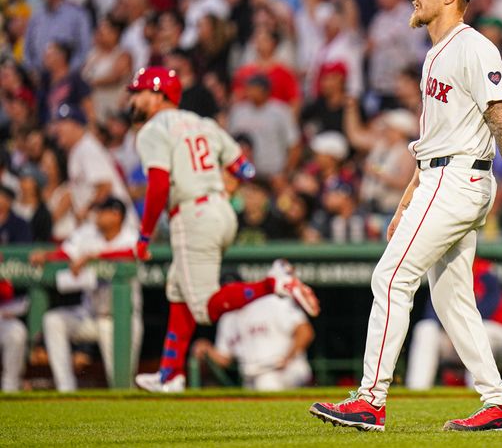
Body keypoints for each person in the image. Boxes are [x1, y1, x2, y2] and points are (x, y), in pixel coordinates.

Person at [310, 0, 502, 432]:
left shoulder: (474, 46)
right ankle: (498, 405)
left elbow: (501, 118)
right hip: (439, 177)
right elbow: (429, 141)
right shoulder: (435, 54)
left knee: (390, 277)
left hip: (458, 179)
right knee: (453, 301)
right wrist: (406, 199)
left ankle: (371, 398)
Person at [126, 67, 319, 392]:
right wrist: (222, 188)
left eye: (140, 91)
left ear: (159, 95)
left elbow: (158, 186)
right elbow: (244, 167)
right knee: (178, 291)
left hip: (192, 215)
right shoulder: (202, 123)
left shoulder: (151, 129)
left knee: (203, 307)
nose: (134, 97)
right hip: (220, 211)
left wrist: (144, 236)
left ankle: (275, 283)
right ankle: (170, 374)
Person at [29, 197, 142, 392]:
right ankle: (66, 390)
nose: (97, 215)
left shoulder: (131, 235)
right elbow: (65, 253)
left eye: (103, 211)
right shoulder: (88, 233)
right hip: (90, 315)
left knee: (121, 385)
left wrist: (95, 257)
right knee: (53, 320)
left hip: (122, 320)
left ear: (117, 215)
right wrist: (46, 256)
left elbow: (133, 254)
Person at [192, 261, 314, 391]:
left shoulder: (271, 301)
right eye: (226, 290)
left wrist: (288, 358)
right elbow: (225, 358)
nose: (231, 294)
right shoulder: (227, 318)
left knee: (267, 383)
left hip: (287, 369)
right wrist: (207, 349)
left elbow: (305, 331)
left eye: (235, 289)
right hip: (252, 377)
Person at [405, 257, 502, 391]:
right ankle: (418, 392)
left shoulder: (485, 271)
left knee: (480, 330)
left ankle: (480, 392)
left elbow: (487, 310)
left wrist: (457, 329)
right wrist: (453, 332)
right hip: (457, 338)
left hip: (500, 335)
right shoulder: (442, 273)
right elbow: (432, 313)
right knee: (426, 328)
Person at [51, 104, 137, 230]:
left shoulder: (87, 149)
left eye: (63, 123)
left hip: (118, 227)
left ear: (76, 125)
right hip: (106, 228)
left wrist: (85, 210)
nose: (57, 129)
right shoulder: (78, 149)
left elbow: (105, 186)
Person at [0, 279, 27, 392]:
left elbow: (24, 300)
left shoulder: (16, 265)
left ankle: (10, 388)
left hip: (6, 317)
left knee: (17, 332)